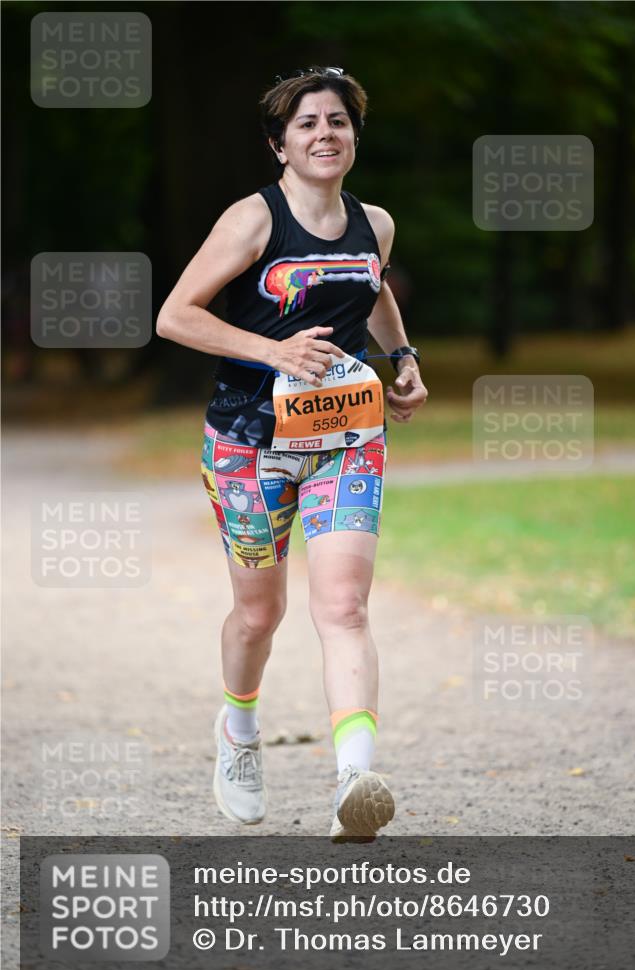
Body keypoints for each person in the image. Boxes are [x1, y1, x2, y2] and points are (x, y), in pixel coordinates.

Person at [156, 66, 428, 840]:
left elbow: (371, 289)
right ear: (279, 143)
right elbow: (175, 315)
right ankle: (238, 733)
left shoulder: (373, 223)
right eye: (306, 124)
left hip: (345, 439)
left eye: (336, 121)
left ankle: (354, 780)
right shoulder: (251, 220)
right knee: (258, 612)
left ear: (352, 136)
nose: (323, 134)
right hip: (247, 443)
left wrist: (403, 356)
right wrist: (271, 352)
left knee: (342, 606)